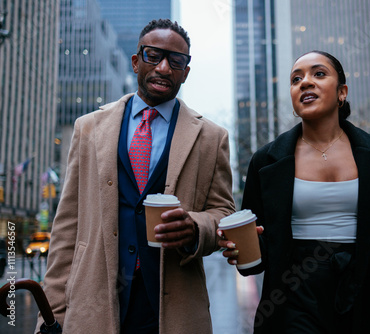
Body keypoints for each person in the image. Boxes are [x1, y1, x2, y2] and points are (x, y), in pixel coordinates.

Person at [219, 50, 370, 333]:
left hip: (369, 298)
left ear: (342, 92)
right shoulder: (266, 162)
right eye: (296, 79)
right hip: (293, 303)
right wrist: (240, 248)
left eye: (319, 74)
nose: (305, 82)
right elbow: (256, 260)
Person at [36, 19, 235, 334]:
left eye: (176, 61)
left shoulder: (212, 137)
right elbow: (67, 229)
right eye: (153, 56)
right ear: (136, 61)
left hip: (174, 306)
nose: (164, 67)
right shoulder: (88, 128)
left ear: (186, 71)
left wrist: (196, 228)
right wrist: (52, 315)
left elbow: (223, 213)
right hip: (95, 304)